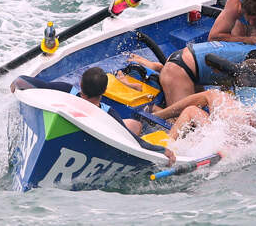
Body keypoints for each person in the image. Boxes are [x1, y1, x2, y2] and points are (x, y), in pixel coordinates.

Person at [10, 67, 176, 165]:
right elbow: (136, 142)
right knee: (135, 126)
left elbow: (27, 82)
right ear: (104, 92)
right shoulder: (109, 113)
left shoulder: (66, 89)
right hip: (94, 137)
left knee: (133, 125)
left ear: (80, 84)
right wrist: (161, 150)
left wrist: (16, 82)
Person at [128, 33, 256, 106]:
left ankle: (156, 67)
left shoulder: (251, 46)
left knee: (201, 105)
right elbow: (240, 76)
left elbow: (228, 78)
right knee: (179, 121)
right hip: (181, 71)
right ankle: (150, 111)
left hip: (184, 62)